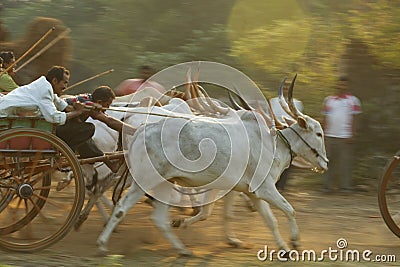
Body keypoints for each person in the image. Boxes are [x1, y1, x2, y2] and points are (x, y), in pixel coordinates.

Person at [58, 85, 135, 172]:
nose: (108, 108)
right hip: (58, 130)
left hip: (64, 128)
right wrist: (135, 131)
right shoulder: (90, 106)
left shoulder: (88, 98)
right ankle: (67, 154)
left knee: (85, 137)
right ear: (99, 101)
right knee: (88, 128)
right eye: (107, 104)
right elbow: (109, 121)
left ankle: (110, 164)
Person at [0, 65, 83, 123]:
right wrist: (77, 112)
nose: (65, 86)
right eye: (64, 83)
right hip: (4, 116)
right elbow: (54, 117)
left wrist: (77, 108)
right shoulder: (45, 91)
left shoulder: (44, 86)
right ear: (54, 81)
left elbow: (59, 103)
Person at [322, 76, 362, 193]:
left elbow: (355, 119)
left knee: (345, 163)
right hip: (330, 135)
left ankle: (345, 187)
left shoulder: (353, 100)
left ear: (347, 86)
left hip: (345, 137)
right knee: (328, 162)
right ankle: (327, 187)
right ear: (337, 85)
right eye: (340, 84)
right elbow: (324, 117)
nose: (341, 86)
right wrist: (323, 134)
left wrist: (352, 134)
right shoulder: (329, 100)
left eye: (344, 84)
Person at [269, 80, 304, 192]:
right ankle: (272, 184)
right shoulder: (273, 101)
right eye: (284, 87)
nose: (286, 90)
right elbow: (270, 117)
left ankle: (282, 186)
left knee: (287, 160)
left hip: (290, 136)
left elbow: (298, 120)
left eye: (288, 88)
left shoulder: (297, 104)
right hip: (275, 134)